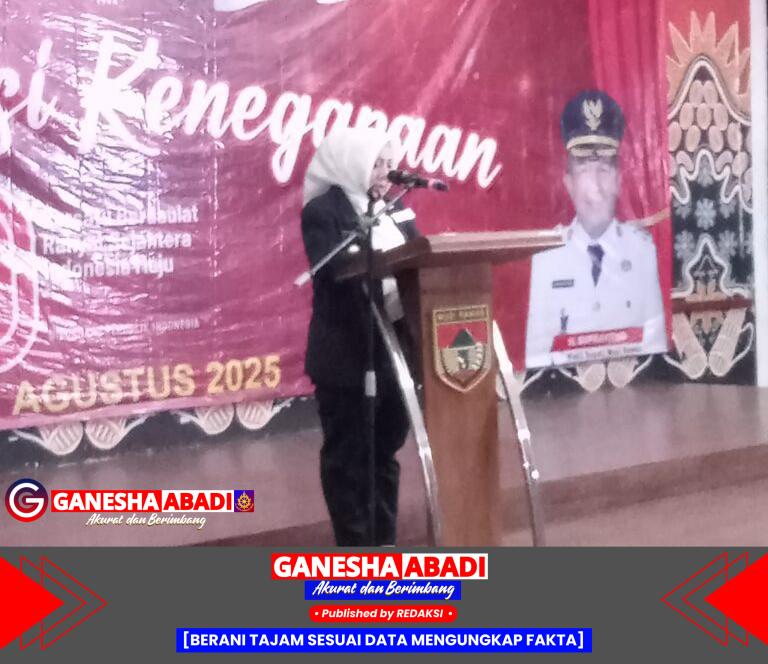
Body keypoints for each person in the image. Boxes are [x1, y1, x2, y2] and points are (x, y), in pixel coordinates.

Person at [301, 127, 419, 546]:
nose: (386, 172)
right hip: (347, 357)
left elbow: (420, 261)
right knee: (348, 458)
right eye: (376, 164)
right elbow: (336, 271)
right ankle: (355, 550)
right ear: (353, 163)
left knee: (384, 451)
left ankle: (383, 544)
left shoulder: (397, 212)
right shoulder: (324, 211)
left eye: (389, 163)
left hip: (394, 354)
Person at [525, 90, 667, 368]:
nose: (596, 189)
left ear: (619, 180)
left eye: (604, 170)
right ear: (568, 184)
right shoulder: (546, 258)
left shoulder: (642, 251)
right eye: (584, 171)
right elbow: (537, 356)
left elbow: (654, 349)